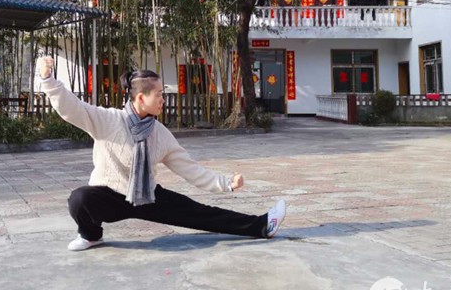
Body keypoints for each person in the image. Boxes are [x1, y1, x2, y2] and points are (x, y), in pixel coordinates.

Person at [36, 56, 287, 252]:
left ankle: (262, 225)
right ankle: (91, 235)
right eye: (159, 95)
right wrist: (48, 80)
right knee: (79, 199)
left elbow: (189, 168)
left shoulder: (160, 133)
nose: (163, 100)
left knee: (201, 213)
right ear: (141, 97)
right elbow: (72, 108)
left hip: (147, 195)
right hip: (109, 196)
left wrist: (226, 183)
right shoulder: (108, 120)